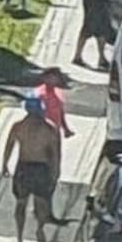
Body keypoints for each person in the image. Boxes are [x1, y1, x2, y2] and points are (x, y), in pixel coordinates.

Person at [1, 97, 61, 242]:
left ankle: (20, 238)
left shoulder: (19, 127)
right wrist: (55, 172)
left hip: (24, 167)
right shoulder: (49, 129)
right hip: (41, 169)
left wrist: (5, 164)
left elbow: (9, 146)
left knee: (21, 203)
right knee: (41, 203)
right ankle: (40, 230)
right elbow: (55, 154)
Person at [34, 68, 74, 224]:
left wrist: (65, 128)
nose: (54, 80)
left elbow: (60, 112)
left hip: (56, 135)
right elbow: (36, 116)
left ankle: (45, 206)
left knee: (55, 171)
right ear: (45, 78)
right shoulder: (39, 94)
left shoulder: (58, 92)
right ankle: (42, 209)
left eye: (56, 78)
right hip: (44, 136)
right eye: (51, 77)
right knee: (44, 171)